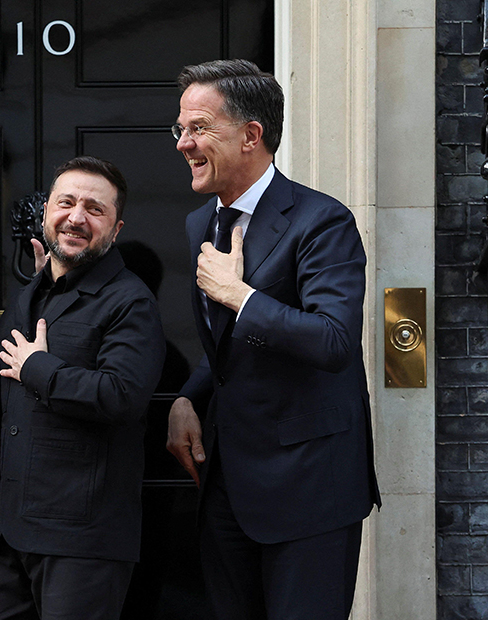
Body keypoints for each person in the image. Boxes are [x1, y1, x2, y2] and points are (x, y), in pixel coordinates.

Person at [165, 60, 381, 619]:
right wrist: (189, 395)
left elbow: (333, 341)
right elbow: (228, 347)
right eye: (180, 129)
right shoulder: (199, 224)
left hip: (310, 489)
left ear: (250, 135)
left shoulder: (322, 221)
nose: (184, 143)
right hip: (227, 488)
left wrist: (240, 295)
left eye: (198, 128)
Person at [0, 156, 166, 620]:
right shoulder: (32, 292)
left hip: (83, 542)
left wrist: (39, 368)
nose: (76, 218)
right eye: (66, 203)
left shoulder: (131, 301)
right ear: (46, 213)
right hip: (12, 534)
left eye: (94, 209)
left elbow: (121, 394)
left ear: (116, 228)